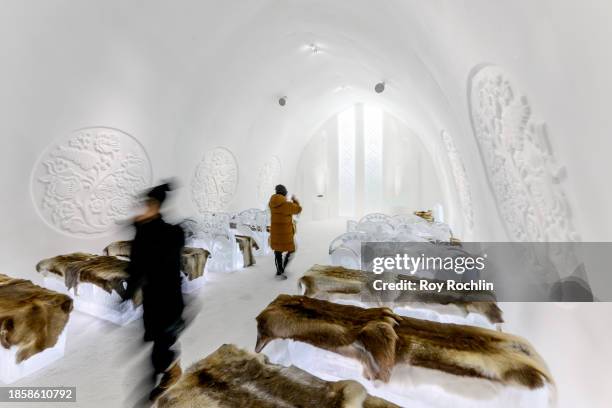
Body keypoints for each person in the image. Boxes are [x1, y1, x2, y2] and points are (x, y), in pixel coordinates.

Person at [123, 183, 186, 402]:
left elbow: (163, 258)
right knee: (157, 339)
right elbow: (137, 266)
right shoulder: (146, 233)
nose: (143, 210)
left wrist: (142, 230)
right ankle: (166, 372)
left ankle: (170, 373)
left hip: (168, 296)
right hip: (152, 297)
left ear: (156, 206)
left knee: (162, 341)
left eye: (148, 205)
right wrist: (129, 291)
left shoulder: (172, 233)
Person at [268, 184, 302, 279]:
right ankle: (283, 267)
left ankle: (279, 270)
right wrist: (295, 200)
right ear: (284, 193)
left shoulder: (271, 204)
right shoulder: (287, 205)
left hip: (275, 232)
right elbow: (298, 209)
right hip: (285, 233)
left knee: (277, 251)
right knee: (292, 250)